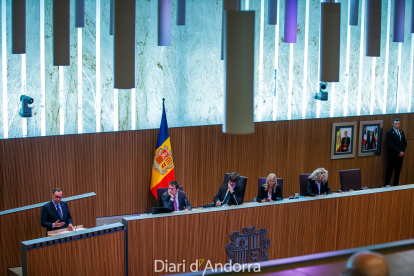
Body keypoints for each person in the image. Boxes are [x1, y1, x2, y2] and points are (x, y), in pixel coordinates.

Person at [385, 118, 408, 186]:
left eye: (398, 124)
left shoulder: (401, 132)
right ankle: (387, 184)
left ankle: (396, 183)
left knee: (398, 170)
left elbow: (405, 143)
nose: (397, 125)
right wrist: (399, 152)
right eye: (396, 124)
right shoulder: (389, 133)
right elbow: (391, 145)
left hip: (400, 156)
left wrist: (402, 152)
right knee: (390, 170)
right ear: (393, 124)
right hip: (393, 156)